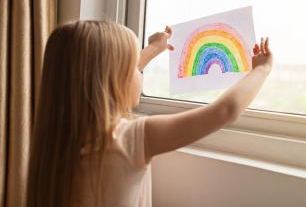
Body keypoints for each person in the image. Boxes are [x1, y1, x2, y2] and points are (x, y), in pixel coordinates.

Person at [27, 20, 273, 207]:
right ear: (112, 80)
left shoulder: (58, 142)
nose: (140, 73)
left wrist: (154, 48)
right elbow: (224, 111)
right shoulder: (129, 140)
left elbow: (105, 74)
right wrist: (261, 70)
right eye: (136, 67)